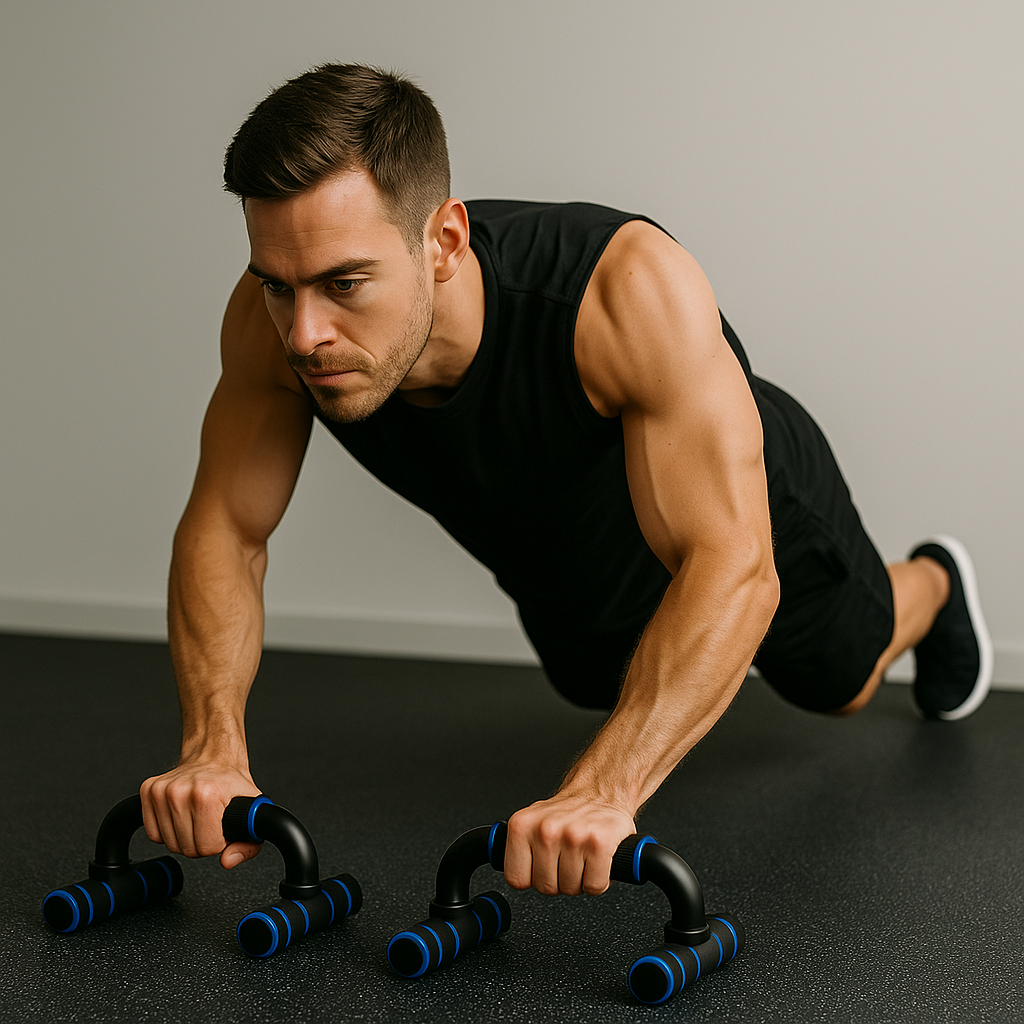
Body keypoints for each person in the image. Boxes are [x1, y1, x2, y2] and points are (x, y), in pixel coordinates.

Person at [140, 64, 992, 899]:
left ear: (443, 243)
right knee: (592, 683)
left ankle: (933, 584)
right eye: (277, 285)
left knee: (842, 681)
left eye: (344, 284)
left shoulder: (622, 289)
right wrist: (213, 748)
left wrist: (604, 791)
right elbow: (228, 527)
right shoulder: (274, 327)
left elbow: (732, 564)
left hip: (726, 501)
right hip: (565, 543)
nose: (304, 333)